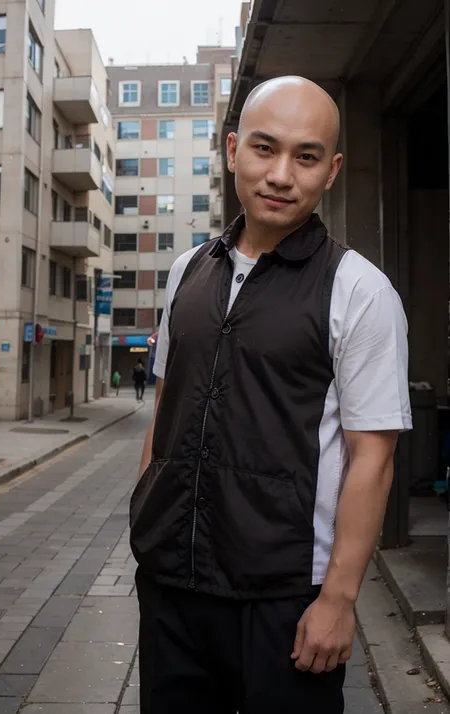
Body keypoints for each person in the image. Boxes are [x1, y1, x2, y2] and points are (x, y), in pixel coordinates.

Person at [129, 76, 412, 714]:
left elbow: (374, 457)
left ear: (332, 170)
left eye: (305, 157)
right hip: (173, 583)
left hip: (284, 601)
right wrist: (144, 507)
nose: (281, 174)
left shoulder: (360, 292)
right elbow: (166, 406)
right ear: (233, 150)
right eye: (264, 148)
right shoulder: (187, 272)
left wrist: (337, 601)